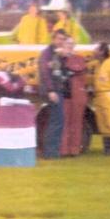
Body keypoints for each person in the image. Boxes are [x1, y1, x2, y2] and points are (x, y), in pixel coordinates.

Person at [38, 29, 68, 159]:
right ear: (53, 39)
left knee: (58, 120)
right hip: (52, 91)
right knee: (56, 121)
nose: (61, 41)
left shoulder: (57, 54)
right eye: (59, 38)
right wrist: (51, 91)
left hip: (57, 90)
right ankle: (50, 152)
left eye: (63, 39)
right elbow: (45, 73)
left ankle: (52, 151)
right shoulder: (47, 53)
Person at [59, 37, 88, 157]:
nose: (70, 45)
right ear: (63, 44)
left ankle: (74, 150)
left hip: (77, 95)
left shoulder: (79, 58)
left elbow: (79, 70)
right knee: (64, 123)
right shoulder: (59, 58)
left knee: (76, 123)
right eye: (68, 43)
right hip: (65, 95)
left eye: (72, 43)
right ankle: (64, 150)